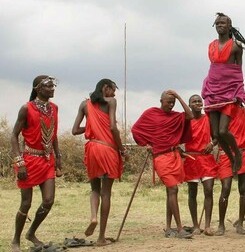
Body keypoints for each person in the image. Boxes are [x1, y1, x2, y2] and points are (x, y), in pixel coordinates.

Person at [131, 90, 194, 239]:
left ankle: (168, 227)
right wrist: (146, 144)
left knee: (171, 192)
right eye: (168, 102)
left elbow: (190, 116)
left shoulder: (175, 116)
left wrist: (179, 96)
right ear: (161, 101)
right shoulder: (151, 113)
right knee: (173, 189)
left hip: (174, 156)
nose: (171, 105)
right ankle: (179, 229)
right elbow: (135, 129)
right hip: (160, 157)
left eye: (173, 102)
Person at [72, 79, 126, 246]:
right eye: (113, 90)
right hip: (107, 148)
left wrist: (91, 126)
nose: (114, 94)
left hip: (92, 148)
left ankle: (93, 216)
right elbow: (112, 127)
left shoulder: (84, 104)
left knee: (94, 188)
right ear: (105, 87)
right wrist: (122, 149)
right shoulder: (111, 102)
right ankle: (101, 237)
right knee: (106, 192)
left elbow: (75, 130)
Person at [201, 12, 245, 175]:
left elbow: (238, 71)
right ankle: (233, 160)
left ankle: (237, 155)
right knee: (216, 133)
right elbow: (213, 69)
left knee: (224, 130)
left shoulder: (236, 46)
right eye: (217, 23)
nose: (219, 25)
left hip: (229, 91)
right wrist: (206, 86)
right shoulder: (211, 45)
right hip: (212, 90)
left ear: (229, 26)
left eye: (223, 23)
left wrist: (239, 92)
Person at [11, 75, 61, 252]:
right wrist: (20, 162)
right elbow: (14, 136)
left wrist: (59, 158)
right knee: (26, 204)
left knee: (48, 201)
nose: (52, 88)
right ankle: (15, 240)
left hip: (48, 160)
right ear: (38, 89)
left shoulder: (54, 108)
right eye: (49, 86)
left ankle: (31, 233)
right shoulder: (26, 108)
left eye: (53, 85)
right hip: (29, 160)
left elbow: (53, 135)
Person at [215, 104, 245, 236]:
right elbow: (219, 134)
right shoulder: (222, 111)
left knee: (243, 188)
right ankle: (221, 225)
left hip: (243, 152)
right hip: (226, 153)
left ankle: (240, 224)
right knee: (226, 188)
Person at [183, 94, 219, 236]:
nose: (197, 103)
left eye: (199, 101)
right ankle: (196, 225)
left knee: (208, 190)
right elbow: (177, 136)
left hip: (206, 158)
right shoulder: (186, 121)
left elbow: (216, 137)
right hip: (191, 158)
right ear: (190, 105)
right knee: (192, 193)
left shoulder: (208, 119)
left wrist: (212, 143)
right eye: (194, 101)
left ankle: (208, 225)